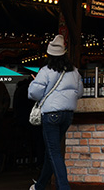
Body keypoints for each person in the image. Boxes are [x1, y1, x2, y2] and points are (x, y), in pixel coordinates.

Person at [29, 34, 82, 190]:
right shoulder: (74, 71)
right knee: (51, 152)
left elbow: (34, 94)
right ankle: (39, 186)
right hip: (68, 115)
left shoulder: (45, 71)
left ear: (49, 55)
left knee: (54, 152)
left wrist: (34, 82)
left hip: (51, 114)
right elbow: (79, 92)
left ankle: (64, 187)